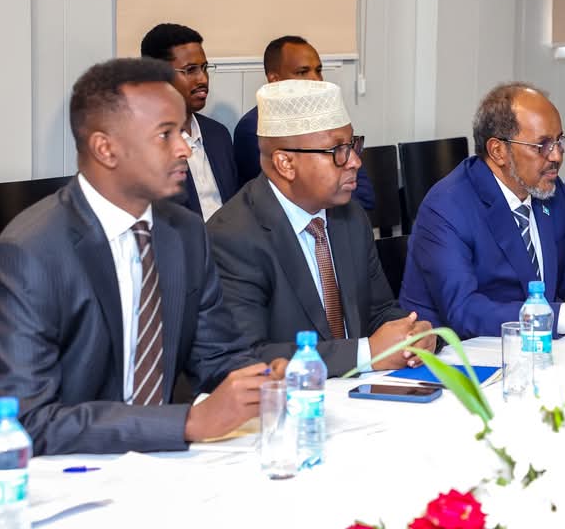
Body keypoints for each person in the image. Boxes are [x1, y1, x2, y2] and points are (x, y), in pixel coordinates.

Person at [0, 58, 279, 457]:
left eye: (182, 132)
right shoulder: (28, 254)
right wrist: (186, 423)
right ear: (106, 148)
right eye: (165, 135)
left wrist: (259, 380)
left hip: (156, 458)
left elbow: (218, 355)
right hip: (53, 468)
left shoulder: (184, 232)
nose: (185, 149)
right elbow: (26, 420)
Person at [208, 80, 434, 377]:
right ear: (285, 163)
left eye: (353, 145)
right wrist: (366, 354)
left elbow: (378, 310)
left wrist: (413, 333)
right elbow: (247, 356)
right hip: (290, 400)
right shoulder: (234, 236)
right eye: (338, 150)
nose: (355, 161)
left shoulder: (350, 217)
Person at [399, 82, 565, 339]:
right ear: (498, 151)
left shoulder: (549, 190)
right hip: (459, 353)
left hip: (534, 348)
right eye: (542, 145)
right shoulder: (447, 207)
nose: (557, 156)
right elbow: (465, 311)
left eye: (559, 141)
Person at [232, 35, 374, 211]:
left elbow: (365, 195)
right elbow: (284, 197)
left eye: (318, 70)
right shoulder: (254, 128)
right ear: (275, 80)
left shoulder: (330, 122)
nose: (316, 79)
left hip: (340, 219)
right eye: (302, 72)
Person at [141, 23, 237, 219]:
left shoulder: (218, 134)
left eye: (204, 68)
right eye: (190, 70)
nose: (203, 79)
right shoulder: (144, 144)